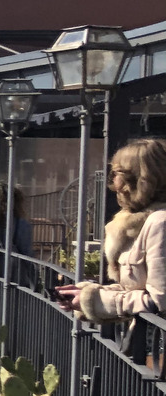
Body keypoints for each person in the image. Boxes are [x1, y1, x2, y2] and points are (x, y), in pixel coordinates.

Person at [56, 138, 166, 332]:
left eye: (115, 173)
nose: (113, 182)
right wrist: (88, 295)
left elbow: (159, 302)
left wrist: (95, 300)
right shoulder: (135, 222)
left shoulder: (160, 222)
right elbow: (137, 291)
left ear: (138, 180)